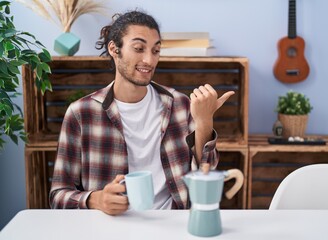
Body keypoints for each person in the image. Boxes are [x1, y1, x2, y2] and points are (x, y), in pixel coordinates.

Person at [49, 10, 234, 215]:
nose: (149, 59)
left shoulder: (180, 105)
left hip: (173, 223)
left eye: (156, 51)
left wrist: (205, 122)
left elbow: (205, 174)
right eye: (138, 48)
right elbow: (58, 195)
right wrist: (95, 199)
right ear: (114, 49)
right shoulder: (81, 114)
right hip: (112, 227)